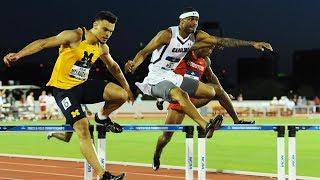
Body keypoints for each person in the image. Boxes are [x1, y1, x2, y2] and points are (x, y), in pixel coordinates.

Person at [3, 11, 131, 180]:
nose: (107, 34)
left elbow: (113, 67)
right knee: (83, 128)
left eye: (111, 31)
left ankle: (102, 116)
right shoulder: (74, 36)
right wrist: (18, 55)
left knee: (121, 95)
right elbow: (43, 43)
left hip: (82, 86)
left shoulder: (102, 47)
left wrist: (127, 87)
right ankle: (102, 175)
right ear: (95, 25)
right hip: (64, 90)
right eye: (105, 29)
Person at [125, 7, 272, 137]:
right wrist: (134, 63)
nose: (194, 23)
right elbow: (144, 53)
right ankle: (205, 125)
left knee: (212, 92)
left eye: (196, 20)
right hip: (155, 79)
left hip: (172, 76)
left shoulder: (197, 36)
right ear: (181, 21)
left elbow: (222, 41)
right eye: (190, 19)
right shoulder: (166, 34)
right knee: (179, 94)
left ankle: (237, 120)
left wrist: (252, 44)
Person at [152, 46, 254, 170]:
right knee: (166, 137)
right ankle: (157, 154)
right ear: (200, 46)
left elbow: (212, 78)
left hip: (193, 99)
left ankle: (236, 121)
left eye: (212, 49)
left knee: (217, 90)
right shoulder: (186, 54)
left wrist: (224, 93)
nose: (211, 51)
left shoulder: (206, 60)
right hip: (178, 100)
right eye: (209, 48)